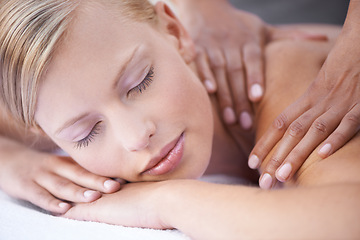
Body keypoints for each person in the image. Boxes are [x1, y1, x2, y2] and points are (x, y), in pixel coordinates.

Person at [0, 0, 359, 239]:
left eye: (141, 82)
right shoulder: (57, 101)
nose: (136, 137)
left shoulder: (290, 91)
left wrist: (167, 202)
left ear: (175, 33)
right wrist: (13, 162)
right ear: (44, 133)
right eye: (86, 133)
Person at [170, 0, 360, 189]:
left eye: (142, 81)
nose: (140, 137)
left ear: (174, 32)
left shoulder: (282, 82)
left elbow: (345, 207)